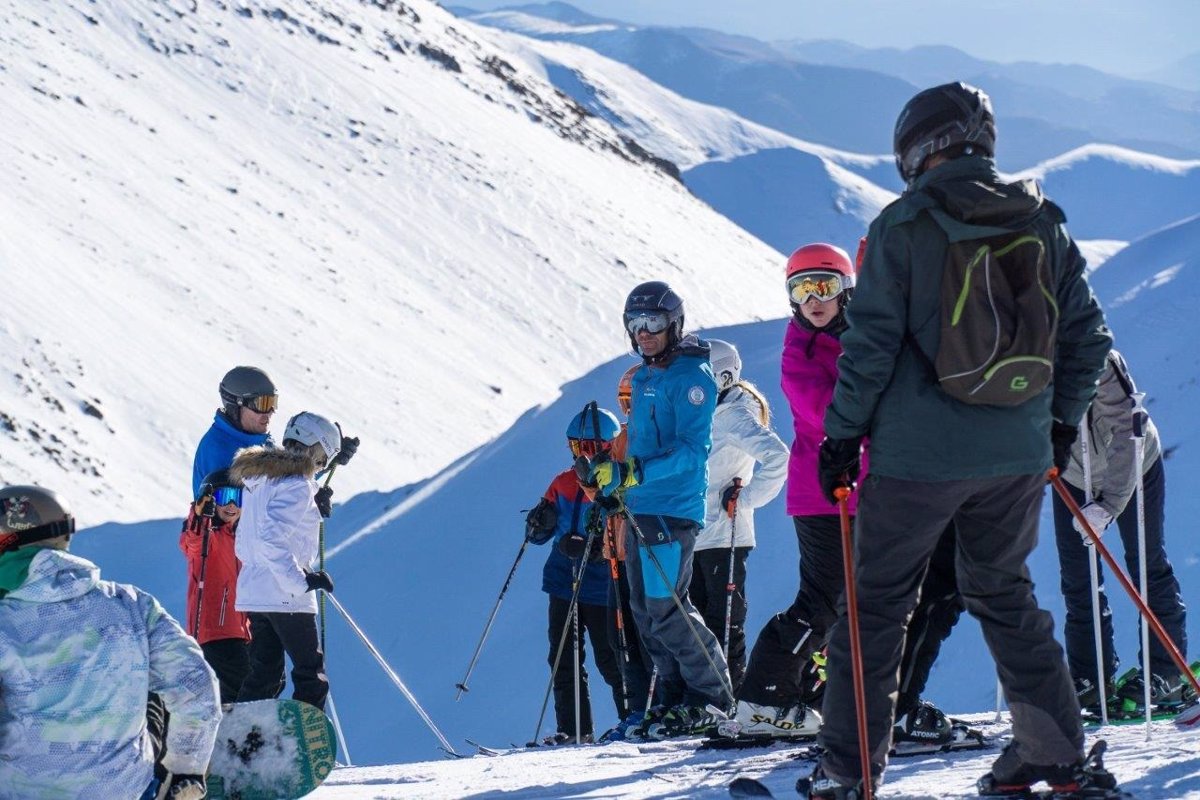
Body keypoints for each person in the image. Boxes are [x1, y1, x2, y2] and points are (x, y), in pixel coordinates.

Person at [805, 82, 1115, 798]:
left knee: (877, 604)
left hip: (918, 460)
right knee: (1005, 593)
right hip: (1016, 456)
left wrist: (842, 437)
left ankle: (847, 771)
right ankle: (1056, 755)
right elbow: (1088, 337)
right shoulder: (1043, 222)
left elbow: (870, 346)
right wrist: (1058, 424)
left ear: (919, 147)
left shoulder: (904, 226)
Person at [734, 243, 964, 746]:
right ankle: (763, 698)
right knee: (825, 599)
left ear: (846, 291)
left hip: (872, 492)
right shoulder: (800, 351)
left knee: (862, 603)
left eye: (826, 286)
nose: (815, 298)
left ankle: (830, 695)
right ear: (791, 299)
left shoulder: (860, 336)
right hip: (824, 493)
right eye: (803, 289)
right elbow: (836, 415)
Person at [0, 485, 220, 800]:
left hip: (19, 791)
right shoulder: (132, 605)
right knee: (148, 695)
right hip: (123, 790)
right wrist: (186, 768)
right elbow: (195, 684)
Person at [587, 280, 732, 739]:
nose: (644, 333)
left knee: (667, 606)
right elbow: (639, 449)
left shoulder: (692, 379)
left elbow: (692, 451)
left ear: (674, 324)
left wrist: (634, 475)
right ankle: (671, 695)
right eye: (635, 324)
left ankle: (712, 697)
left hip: (672, 510)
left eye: (652, 322)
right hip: (640, 509)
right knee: (645, 612)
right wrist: (616, 480)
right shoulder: (646, 376)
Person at [1052, 349, 1190, 711]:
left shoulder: (1092, 354)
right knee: (1078, 576)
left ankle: (1167, 673)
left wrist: (1109, 505)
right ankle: (1090, 678)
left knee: (1146, 564)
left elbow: (1131, 428)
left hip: (1133, 467)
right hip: (1071, 474)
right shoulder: (1018, 357)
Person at [689, 338, 788, 694]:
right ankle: (706, 700)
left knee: (724, 621)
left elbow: (778, 456)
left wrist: (746, 498)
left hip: (727, 535)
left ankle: (734, 701)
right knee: (697, 622)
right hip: (698, 532)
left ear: (722, 375)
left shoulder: (734, 414)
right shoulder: (707, 414)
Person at [524, 404, 626, 744]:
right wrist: (538, 525)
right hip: (563, 582)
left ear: (609, 446)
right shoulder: (563, 482)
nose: (584, 455)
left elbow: (621, 530)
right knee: (563, 657)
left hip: (600, 586)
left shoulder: (616, 482)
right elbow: (538, 535)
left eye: (592, 447)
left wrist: (595, 550)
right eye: (577, 447)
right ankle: (574, 730)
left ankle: (632, 719)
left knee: (609, 658)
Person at [232, 411, 342, 711]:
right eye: (321, 457)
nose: (320, 467)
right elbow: (273, 537)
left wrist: (315, 507)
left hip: (256, 593)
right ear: (311, 447)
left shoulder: (260, 479)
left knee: (264, 675)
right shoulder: (297, 485)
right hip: (286, 596)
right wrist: (302, 581)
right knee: (310, 673)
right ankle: (304, 745)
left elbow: (271, 528)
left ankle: (241, 741)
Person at [180, 468, 252, 704]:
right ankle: (241, 731)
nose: (232, 504)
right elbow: (191, 542)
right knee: (242, 687)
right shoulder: (207, 535)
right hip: (215, 633)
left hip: (245, 633)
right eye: (225, 497)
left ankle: (241, 729)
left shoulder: (242, 537)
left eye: (238, 497)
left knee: (256, 683)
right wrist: (199, 515)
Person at [193, 366, 278, 498]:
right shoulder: (220, 450)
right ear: (236, 406)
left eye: (273, 403)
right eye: (262, 404)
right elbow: (231, 511)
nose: (269, 412)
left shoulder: (258, 440)